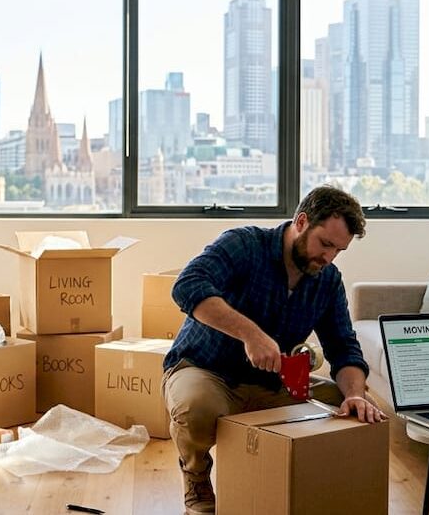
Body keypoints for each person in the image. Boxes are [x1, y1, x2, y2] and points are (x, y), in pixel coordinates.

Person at [162, 185, 387, 515]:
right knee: (196, 408)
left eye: (338, 250)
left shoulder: (327, 280)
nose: (328, 258)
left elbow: (344, 347)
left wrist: (354, 393)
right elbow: (187, 285)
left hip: (271, 384)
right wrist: (251, 335)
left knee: (351, 407)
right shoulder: (244, 244)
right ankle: (196, 474)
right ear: (301, 221)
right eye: (325, 243)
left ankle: (299, 480)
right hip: (206, 368)